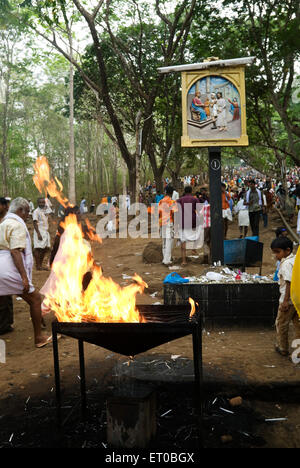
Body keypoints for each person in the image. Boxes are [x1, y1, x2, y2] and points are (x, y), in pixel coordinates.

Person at [0, 197, 51, 347]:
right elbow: (15, 252)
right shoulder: (17, 225)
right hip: (7, 269)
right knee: (35, 299)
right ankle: (39, 338)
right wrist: (24, 277)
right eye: (27, 211)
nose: (28, 214)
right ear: (20, 210)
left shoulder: (3, 223)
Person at [271, 237, 300, 357]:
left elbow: (289, 282)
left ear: (287, 250)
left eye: (278, 252)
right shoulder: (295, 260)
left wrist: (285, 301)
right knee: (298, 326)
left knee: (281, 323)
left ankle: (283, 347)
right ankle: (298, 352)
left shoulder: (286, 264)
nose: (275, 255)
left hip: (287, 299)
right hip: (297, 299)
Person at [176, 186, 203, 265]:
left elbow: (177, 212)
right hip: (193, 221)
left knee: (183, 240)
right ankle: (194, 249)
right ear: (191, 191)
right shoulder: (195, 199)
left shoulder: (179, 200)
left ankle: (184, 261)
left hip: (183, 221)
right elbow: (199, 211)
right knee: (197, 234)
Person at [0, 197, 14, 335]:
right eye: (4, 205)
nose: (6, 207)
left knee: (6, 294)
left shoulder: (8, 221)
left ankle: (6, 324)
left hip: (6, 260)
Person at [158, 186, 178, 265]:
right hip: (169, 222)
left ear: (165, 192)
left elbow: (158, 213)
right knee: (169, 241)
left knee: (164, 241)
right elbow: (174, 214)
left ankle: (165, 259)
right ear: (172, 193)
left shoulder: (160, 201)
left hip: (162, 222)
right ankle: (167, 260)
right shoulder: (172, 202)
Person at [32, 197, 51, 270]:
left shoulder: (45, 210)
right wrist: (38, 233)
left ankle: (40, 265)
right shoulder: (36, 211)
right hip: (39, 231)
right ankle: (38, 266)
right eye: (40, 202)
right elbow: (34, 222)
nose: (42, 204)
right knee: (38, 248)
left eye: (43, 202)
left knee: (44, 248)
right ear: (38, 203)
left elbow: (50, 208)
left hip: (45, 231)